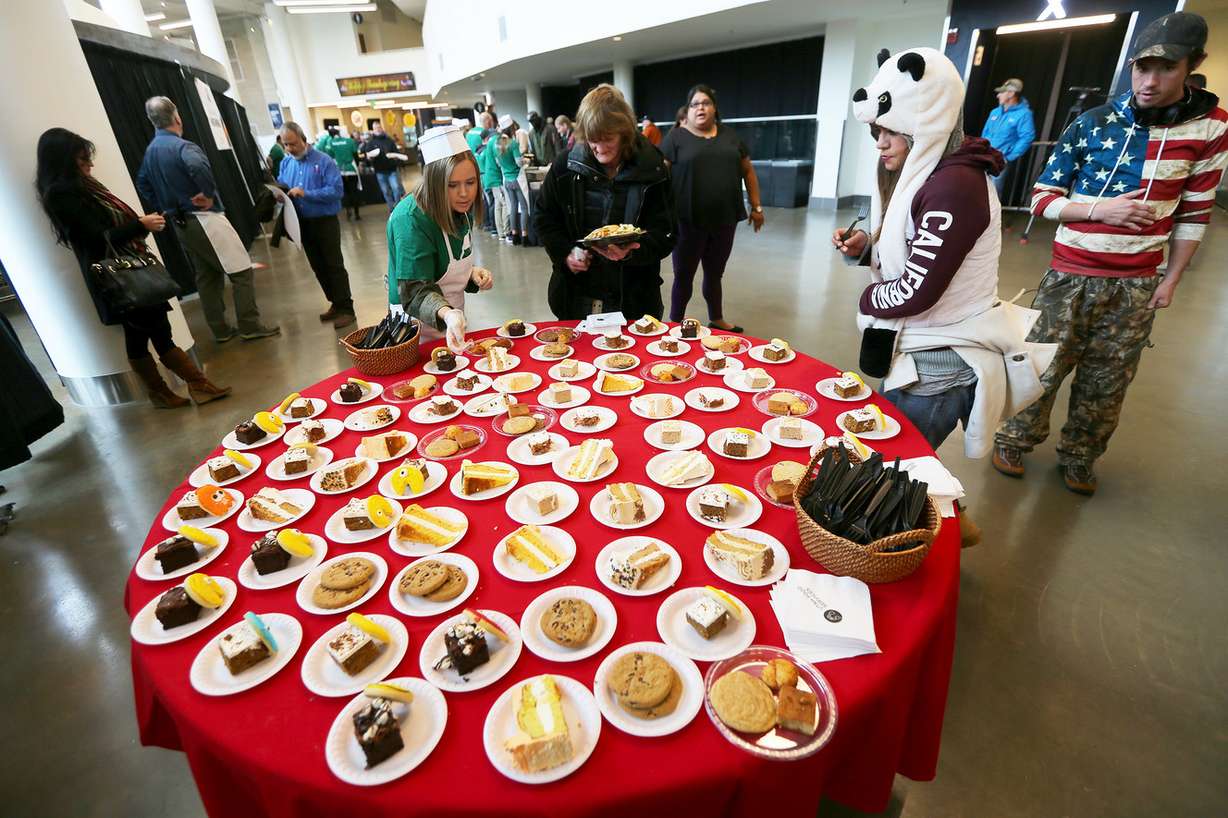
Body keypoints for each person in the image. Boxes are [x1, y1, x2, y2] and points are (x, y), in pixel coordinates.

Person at [994, 12, 1226, 495]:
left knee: (1109, 378)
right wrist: (1099, 210)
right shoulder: (1094, 123)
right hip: (1070, 274)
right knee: (1041, 362)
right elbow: (1042, 198)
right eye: (1142, 68)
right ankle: (1014, 437)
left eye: (1164, 69)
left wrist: (1172, 278)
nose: (1149, 80)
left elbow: (1195, 212)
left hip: (1138, 281)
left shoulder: (1211, 129)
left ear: (1193, 65)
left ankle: (1080, 455)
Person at [834, 47, 1057, 548]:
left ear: (923, 122)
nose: (881, 145)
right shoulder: (937, 174)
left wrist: (868, 301)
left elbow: (918, 289)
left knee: (893, 460)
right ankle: (957, 517)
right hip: (923, 348)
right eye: (877, 133)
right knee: (905, 452)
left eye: (889, 132)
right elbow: (914, 252)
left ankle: (920, 540)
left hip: (942, 359)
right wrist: (867, 246)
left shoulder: (955, 185)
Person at [37, 127, 231, 407]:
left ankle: (184, 388)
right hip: (118, 276)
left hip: (132, 268)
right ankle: (185, 387)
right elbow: (94, 238)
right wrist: (139, 225)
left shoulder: (86, 187)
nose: (90, 164)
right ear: (64, 161)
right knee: (145, 331)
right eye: (82, 159)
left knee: (148, 331)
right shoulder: (61, 195)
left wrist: (140, 225)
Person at [136, 96, 279, 343]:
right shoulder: (183, 147)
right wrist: (207, 193)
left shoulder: (151, 152)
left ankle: (220, 329)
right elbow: (197, 167)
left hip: (180, 222)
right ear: (177, 117)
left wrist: (164, 206)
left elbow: (143, 183)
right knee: (241, 270)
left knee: (207, 276)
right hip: (203, 218)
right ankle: (249, 324)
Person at [535, 83, 676, 320]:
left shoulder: (653, 169)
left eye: (607, 139)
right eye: (592, 140)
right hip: (576, 296)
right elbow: (544, 218)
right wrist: (566, 254)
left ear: (625, 132)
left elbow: (667, 231)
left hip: (636, 298)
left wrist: (632, 253)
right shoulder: (564, 167)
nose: (599, 149)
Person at [661, 84, 764, 333]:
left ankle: (716, 318)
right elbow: (661, 176)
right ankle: (674, 323)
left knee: (715, 273)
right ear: (688, 110)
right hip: (687, 221)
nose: (700, 108)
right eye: (695, 104)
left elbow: (748, 171)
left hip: (725, 219)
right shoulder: (675, 137)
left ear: (714, 108)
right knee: (683, 275)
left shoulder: (731, 137)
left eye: (706, 102)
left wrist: (756, 206)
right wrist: (660, 213)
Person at [386, 125, 494, 349]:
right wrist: (447, 314)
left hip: (451, 321)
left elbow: (447, 261)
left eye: (470, 182)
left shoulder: (461, 209)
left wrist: (471, 274)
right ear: (434, 183)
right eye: (452, 185)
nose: (464, 193)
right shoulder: (410, 220)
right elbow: (415, 290)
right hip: (415, 331)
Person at [277, 122, 357, 329]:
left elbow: (336, 191)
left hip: (325, 222)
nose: (289, 149)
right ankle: (335, 303)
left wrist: (307, 194)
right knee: (318, 267)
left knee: (334, 265)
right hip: (301, 223)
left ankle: (347, 308)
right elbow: (282, 184)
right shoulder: (286, 164)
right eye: (285, 145)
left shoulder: (325, 161)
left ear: (303, 139)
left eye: (293, 144)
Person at [980, 78, 1036, 202]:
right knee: (978, 188)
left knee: (993, 193)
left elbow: (1027, 137)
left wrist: (1008, 156)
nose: (998, 95)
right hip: (984, 157)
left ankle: (991, 220)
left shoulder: (1024, 114)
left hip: (999, 159)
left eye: (1002, 92)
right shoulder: (994, 112)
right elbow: (985, 133)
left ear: (1011, 93)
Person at [497, 115, 529, 245]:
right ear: (511, 128)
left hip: (506, 180)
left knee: (513, 207)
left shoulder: (496, 144)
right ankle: (525, 236)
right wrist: (525, 160)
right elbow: (518, 163)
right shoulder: (513, 144)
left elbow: (498, 163)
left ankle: (514, 235)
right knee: (524, 207)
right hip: (517, 179)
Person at [359, 121, 405, 210]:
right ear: (373, 130)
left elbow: (396, 152)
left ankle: (398, 207)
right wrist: (369, 158)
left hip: (392, 169)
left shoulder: (389, 140)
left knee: (396, 189)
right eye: (376, 128)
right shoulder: (371, 143)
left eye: (379, 127)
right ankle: (391, 208)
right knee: (386, 191)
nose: (378, 129)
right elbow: (367, 156)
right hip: (380, 171)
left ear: (381, 128)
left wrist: (395, 156)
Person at [327, 128, 361, 221]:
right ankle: (357, 214)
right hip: (351, 169)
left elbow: (330, 156)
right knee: (354, 192)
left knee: (345, 193)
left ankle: (348, 212)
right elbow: (356, 155)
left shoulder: (331, 142)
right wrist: (357, 165)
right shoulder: (350, 141)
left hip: (340, 170)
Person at [479, 129, 508, 238]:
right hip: (496, 178)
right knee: (504, 203)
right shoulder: (496, 141)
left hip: (489, 177)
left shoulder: (489, 143)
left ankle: (501, 233)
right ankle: (506, 231)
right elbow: (499, 160)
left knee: (497, 204)